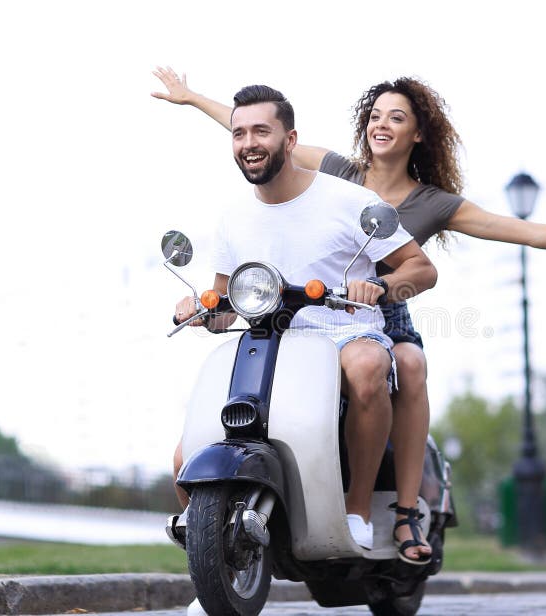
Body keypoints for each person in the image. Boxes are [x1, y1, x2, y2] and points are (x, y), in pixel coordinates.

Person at [153, 67, 546, 563]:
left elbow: (528, 232)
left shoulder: (429, 202)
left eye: (397, 117)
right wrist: (193, 97)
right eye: (376, 116)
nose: (382, 125)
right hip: (296, 310)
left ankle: (402, 513)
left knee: (403, 366)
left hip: (378, 309)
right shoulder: (338, 172)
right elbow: (256, 132)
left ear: (418, 134)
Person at [170, 83, 438, 561]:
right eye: (239, 133)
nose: (249, 142)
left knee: (367, 365)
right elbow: (226, 304)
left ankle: (356, 511)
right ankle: (214, 557)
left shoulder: (346, 200)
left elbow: (421, 268)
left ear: (289, 140)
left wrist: (379, 287)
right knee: (182, 453)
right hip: (270, 339)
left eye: (261, 131)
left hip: (344, 329)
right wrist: (200, 309)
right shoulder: (233, 218)